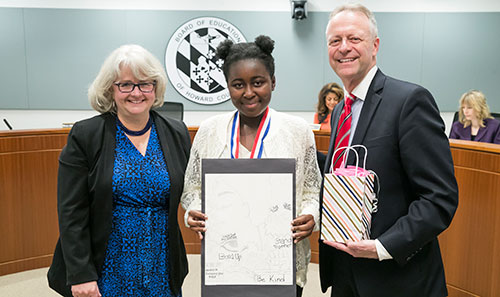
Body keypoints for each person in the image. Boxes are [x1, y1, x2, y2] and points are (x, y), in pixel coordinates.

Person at [319, 4, 459, 297]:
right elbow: (352, 173)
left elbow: (439, 197)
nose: (344, 48)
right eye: (335, 41)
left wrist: (383, 247)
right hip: (346, 273)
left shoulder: (409, 101)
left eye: (354, 39)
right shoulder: (339, 113)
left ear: (375, 45)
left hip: (398, 277)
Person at [180, 35, 322, 297]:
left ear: (273, 82)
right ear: (227, 86)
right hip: (225, 261)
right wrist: (194, 213)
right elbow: (191, 189)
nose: (248, 92)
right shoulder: (210, 131)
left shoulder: (298, 131)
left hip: (279, 263)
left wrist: (311, 216)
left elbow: (312, 192)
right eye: (238, 84)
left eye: (258, 82)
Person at [47, 44, 191, 297]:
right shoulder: (86, 135)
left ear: (155, 88)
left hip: (161, 263)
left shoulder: (176, 132)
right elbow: (71, 211)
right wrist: (81, 274)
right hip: (108, 265)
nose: (136, 93)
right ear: (110, 90)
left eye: (144, 83)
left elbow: (190, 189)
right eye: (125, 84)